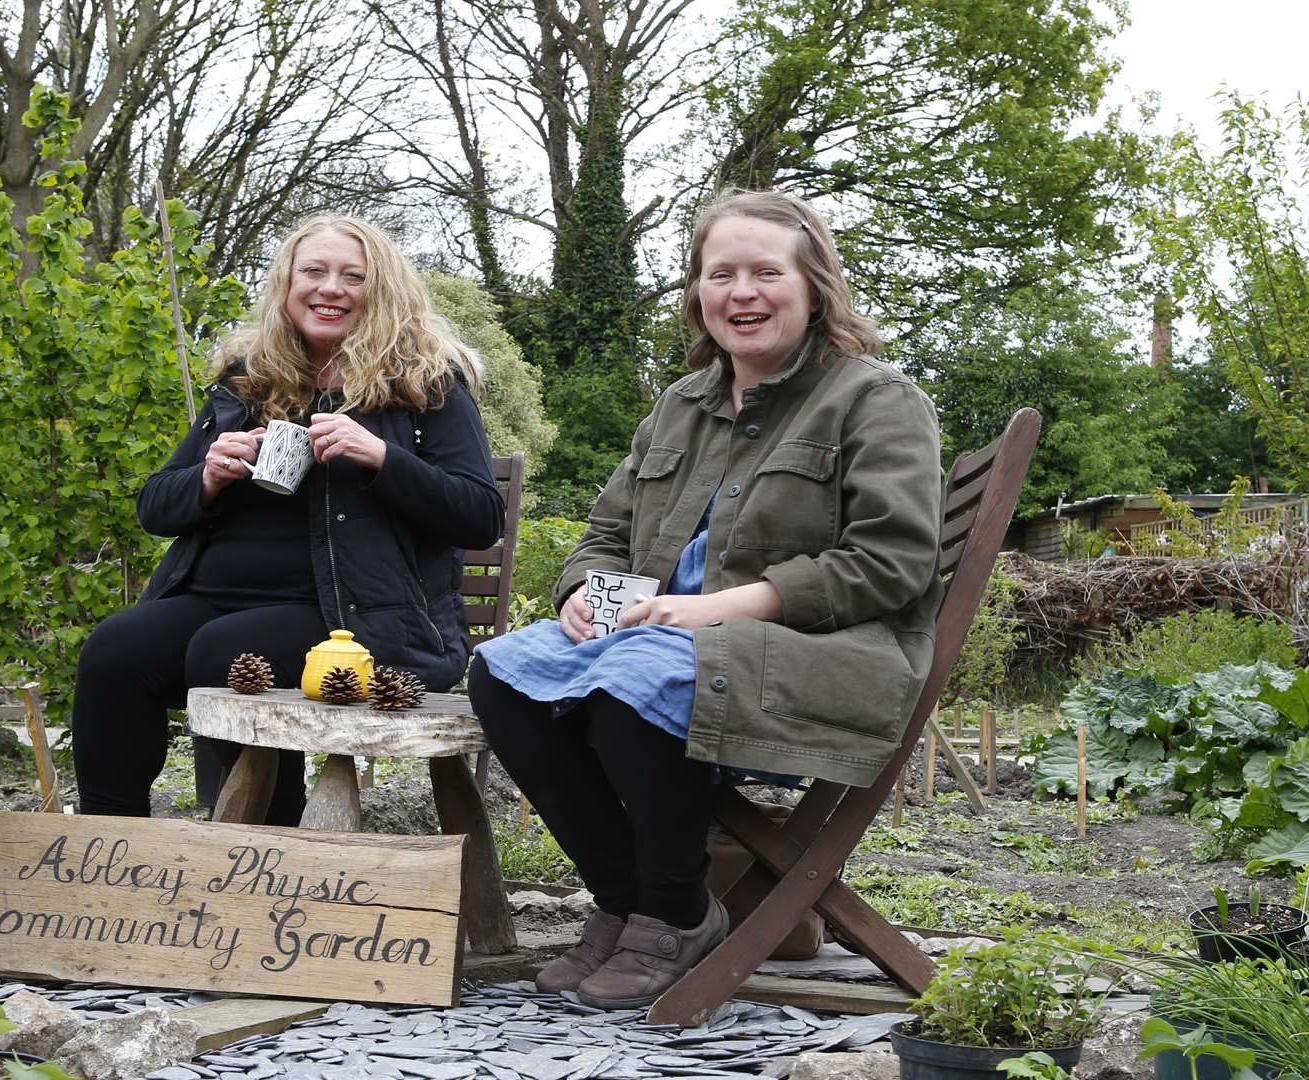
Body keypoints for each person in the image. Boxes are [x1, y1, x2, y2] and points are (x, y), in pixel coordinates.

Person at [467, 190, 943, 1008]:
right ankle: (625, 899)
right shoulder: (679, 407)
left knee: (637, 677)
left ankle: (679, 912)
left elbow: (890, 563)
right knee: (503, 670)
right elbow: (605, 536)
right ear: (698, 293)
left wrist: (719, 610)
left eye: (766, 272)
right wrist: (585, 592)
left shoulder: (874, 399)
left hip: (821, 660)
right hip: (663, 645)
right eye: (721, 274)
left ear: (813, 286)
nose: (742, 292)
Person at [72, 215, 504, 822]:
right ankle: (108, 840)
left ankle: (266, 844)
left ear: (380, 292)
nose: (331, 288)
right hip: (214, 598)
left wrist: (381, 457)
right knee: (115, 649)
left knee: (223, 650)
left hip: (356, 622)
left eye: (353, 276)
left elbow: (481, 515)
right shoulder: (248, 380)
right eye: (315, 272)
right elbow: (155, 507)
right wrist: (208, 476)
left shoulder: (425, 387)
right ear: (287, 283)